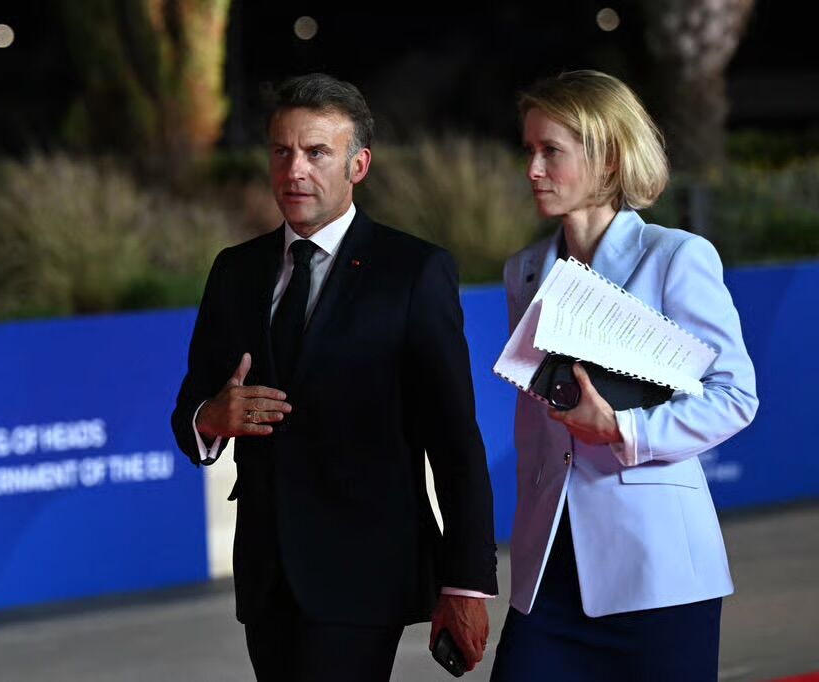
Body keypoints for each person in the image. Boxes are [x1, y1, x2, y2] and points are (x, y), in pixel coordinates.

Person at [171, 73, 498, 681]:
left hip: (365, 574)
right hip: (267, 578)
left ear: (358, 165)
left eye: (316, 152)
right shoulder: (235, 271)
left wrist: (465, 583)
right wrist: (210, 419)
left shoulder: (413, 272)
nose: (294, 169)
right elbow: (194, 402)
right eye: (282, 151)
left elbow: (455, 439)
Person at [491, 69, 759, 681]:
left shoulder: (676, 257)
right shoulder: (523, 271)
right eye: (529, 150)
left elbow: (735, 397)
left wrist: (623, 429)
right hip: (548, 573)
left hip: (658, 572)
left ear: (608, 158)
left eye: (551, 151)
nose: (533, 169)